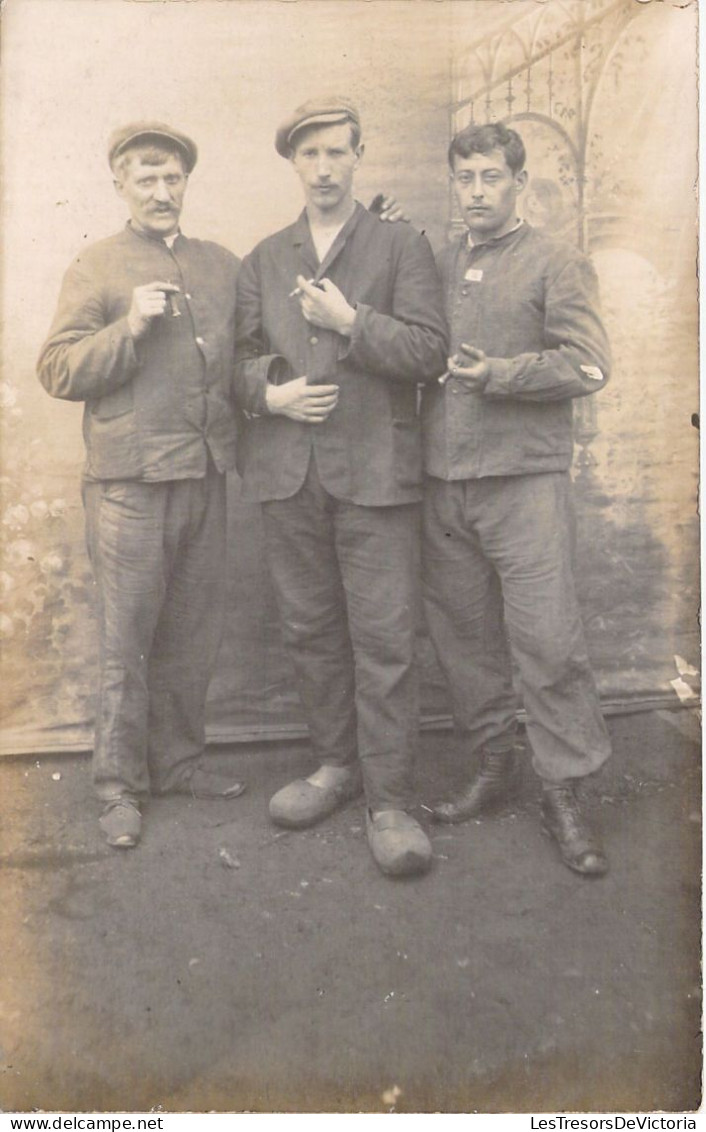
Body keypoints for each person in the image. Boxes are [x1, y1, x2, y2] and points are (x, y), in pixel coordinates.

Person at [234, 96, 448, 877]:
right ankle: (334, 766)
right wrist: (272, 395)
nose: (323, 169)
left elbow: (429, 350)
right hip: (290, 478)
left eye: (337, 153)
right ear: (294, 163)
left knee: (386, 639)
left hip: (377, 477)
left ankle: (389, 799)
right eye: (309, 155)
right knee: (311, 631)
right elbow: (239, 361)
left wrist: (354, 321)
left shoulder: (399, 244)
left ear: (359, 155)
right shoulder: (266, 256)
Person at [36, 122, 247, 848]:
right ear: (120, 184)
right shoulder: (95, 266)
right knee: (128, 643)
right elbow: (58, 370)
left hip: (205, 475)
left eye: (173, 179)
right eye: (147, 178)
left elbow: (250, 354)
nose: (162, 192)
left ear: (186, 183)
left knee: (194, 633)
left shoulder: (221, 265)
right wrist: (128, 326)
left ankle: (181, 760)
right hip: (128, 485)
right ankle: (119, 786)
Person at [421, 122, 612, 876]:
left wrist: (500, 374)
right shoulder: (435, 263)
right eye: (464, 177)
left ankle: (563, 791)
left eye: (490, 177)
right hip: (443, 486)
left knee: (548, 643)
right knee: (465, 642)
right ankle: (496, 765)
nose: (475, 191)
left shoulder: (558, 263)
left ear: (518, 184)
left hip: (524, 483)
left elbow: (590, 365)